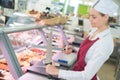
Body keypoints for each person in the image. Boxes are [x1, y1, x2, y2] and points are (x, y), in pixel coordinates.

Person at [46, 0, 118, 80]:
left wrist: (57, 71)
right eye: (90, 16)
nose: (90, 19)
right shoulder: (95, 30)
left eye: (94, 17)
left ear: (105, 17)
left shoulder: (105, 43)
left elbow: (86, 76)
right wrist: (75, 50)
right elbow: (90, 53)